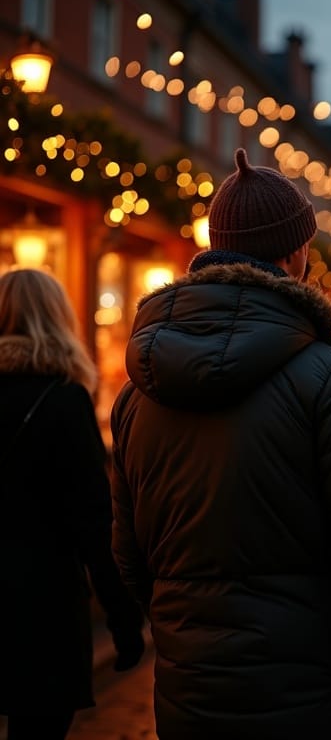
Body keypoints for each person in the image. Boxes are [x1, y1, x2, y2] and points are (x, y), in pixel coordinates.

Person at [110, 149, 331, 740]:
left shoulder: (139, 393)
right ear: (294, 254)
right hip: (313, 690)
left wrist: (186, 631)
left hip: (190, 693)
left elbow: (130, 556)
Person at [0, 269, 144, 739]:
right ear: (59, 320)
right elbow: (92, 523)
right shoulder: (64, 400)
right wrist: (122, 618)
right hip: (42, 609)